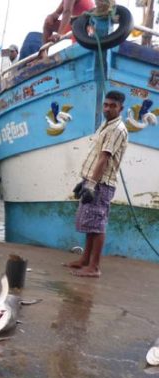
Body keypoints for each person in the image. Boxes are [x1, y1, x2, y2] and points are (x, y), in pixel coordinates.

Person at [65, 90, 128, 278]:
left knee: (98, 225)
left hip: (101, 183)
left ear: (121, 108)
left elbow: (104, 158)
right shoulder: (106, 125)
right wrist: (84, 181)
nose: (107, 109)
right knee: (90, 223)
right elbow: (95, 156)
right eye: (106, 105)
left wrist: (91, 184)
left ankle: (94, 267)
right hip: (93, 180)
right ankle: (85, 260)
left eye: (112, 106)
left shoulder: (117, 129)